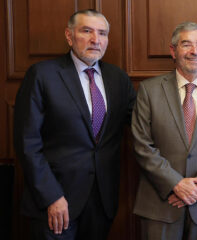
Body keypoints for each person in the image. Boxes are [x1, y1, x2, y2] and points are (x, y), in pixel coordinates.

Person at [13, 9, 136, 240]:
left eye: (102, 33)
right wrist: (51, 196)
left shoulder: (118, 79)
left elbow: (142, 126)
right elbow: (27, 143)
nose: (95, 40)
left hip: (101, 201)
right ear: (69, 37)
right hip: (56, 202)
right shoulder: (42, 75)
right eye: (86, 31)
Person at [131, 22, 197, 240]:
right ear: (173, 51)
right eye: (186, 44)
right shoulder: (149, 90)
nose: (194, 51)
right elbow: (142, 144)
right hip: (160, 204)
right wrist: (175, 184)